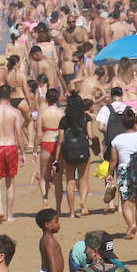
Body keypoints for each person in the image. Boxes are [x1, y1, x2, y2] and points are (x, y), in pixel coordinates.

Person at [0, 84, 26, 222]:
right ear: (10, 96)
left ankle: (0, 209)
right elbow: (19, 133)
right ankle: (9, 215)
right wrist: (23, 152)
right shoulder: (15, 112)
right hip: (10, 147)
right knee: (10, 183)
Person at [109, 107, 137, 240]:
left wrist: (109, 173)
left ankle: (131, 224)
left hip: (124, 170)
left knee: (126, 201)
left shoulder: (117, 139)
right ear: (136, 124)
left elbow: (114, 160)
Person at [54, 90, 92, 218]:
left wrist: (56, 158)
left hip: (68, 151)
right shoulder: (86, 117)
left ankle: (71, 212)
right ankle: (82, 202)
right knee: (83, 179)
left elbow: (60, 140)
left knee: (70, 181)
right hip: (83, 150)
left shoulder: (64, 120)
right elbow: (91, 135)